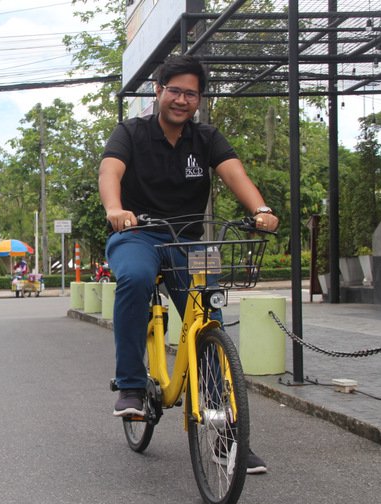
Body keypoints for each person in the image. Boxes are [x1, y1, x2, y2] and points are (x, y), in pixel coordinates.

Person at [98, 55, 279, 475]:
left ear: (199, 99)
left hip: (190, 241)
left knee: (208, 316)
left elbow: (236, 175)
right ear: (158, 91)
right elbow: (111, 169)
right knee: (136, 279)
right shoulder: (131, 132)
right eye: (174, 90)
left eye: (191, 93)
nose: (182, 99)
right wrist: (115, 208)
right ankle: (130, 385)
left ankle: (227, 436)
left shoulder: (207, 138)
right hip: (136, 234)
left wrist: (261, 209)